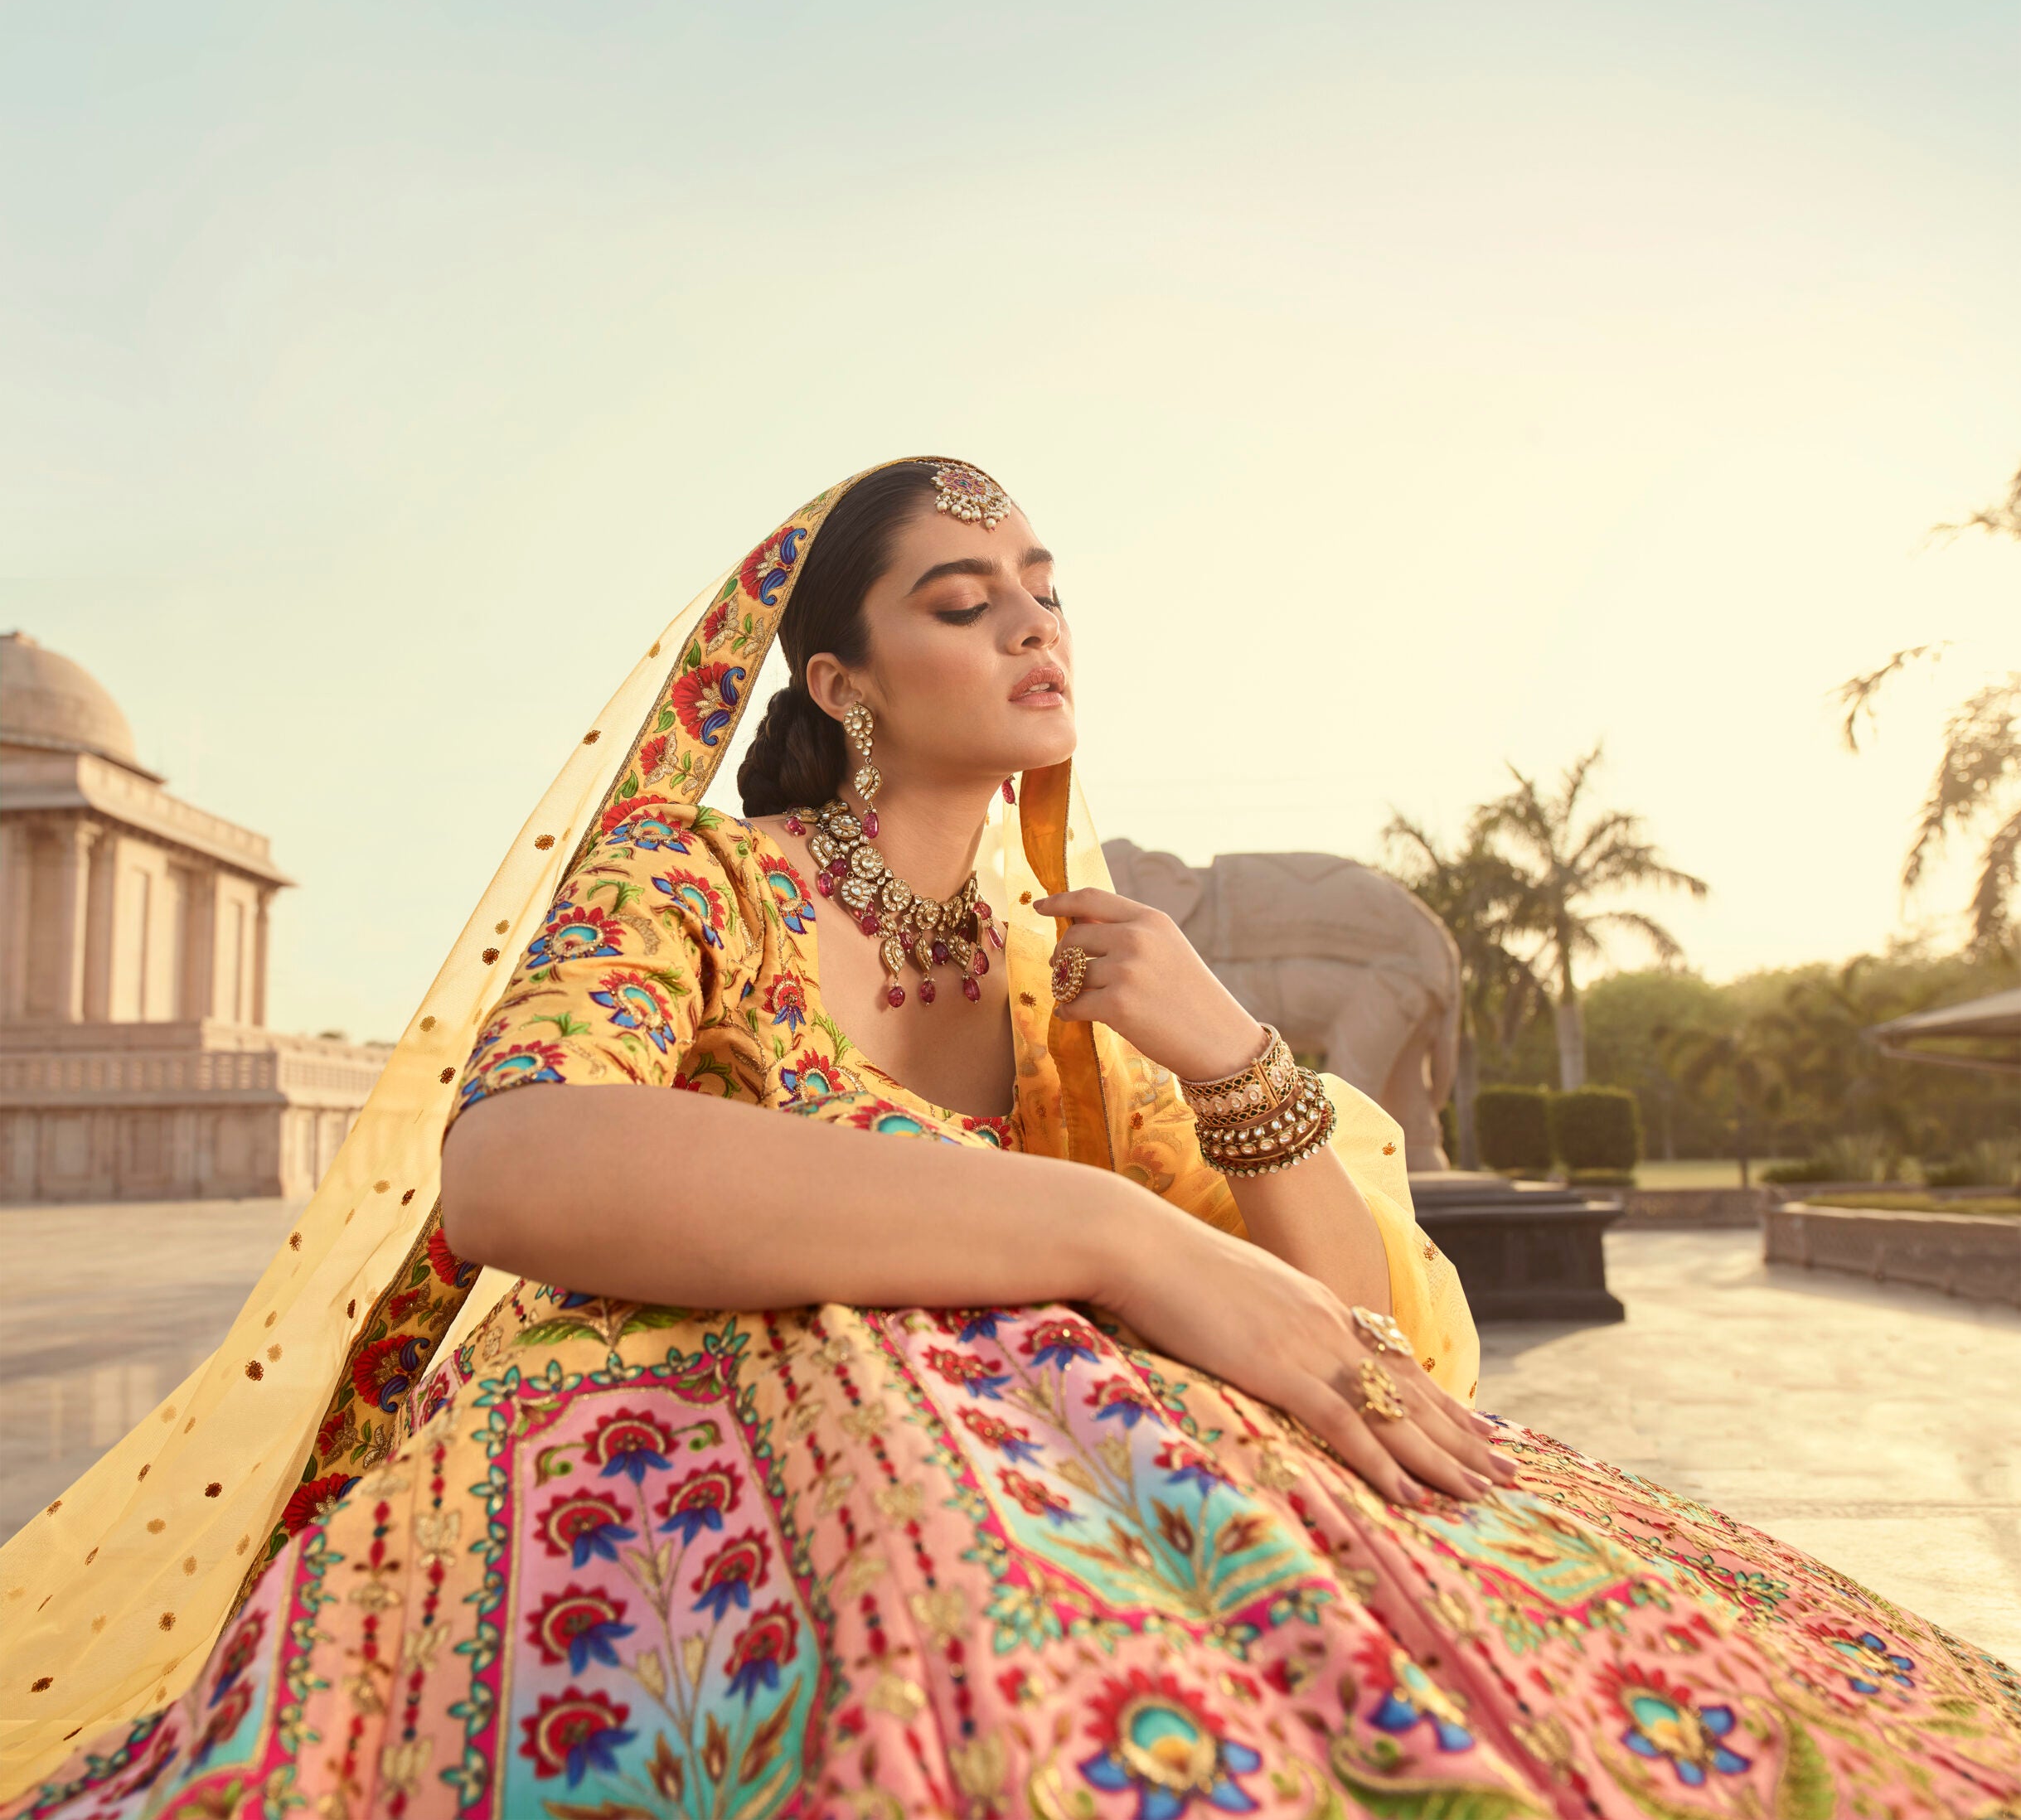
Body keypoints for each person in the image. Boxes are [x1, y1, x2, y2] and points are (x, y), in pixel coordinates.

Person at [2, 458, 2015, 1820]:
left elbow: (1333, 1339)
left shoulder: (1083, 970)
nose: (1036, 624)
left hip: (1085, 1457)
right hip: (680, 1456)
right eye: (965, 600)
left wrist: (1226, 1048)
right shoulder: (692, 879)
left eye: (1048, 591)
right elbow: (518, 1168)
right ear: (842, 680)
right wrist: (1091, 1230)